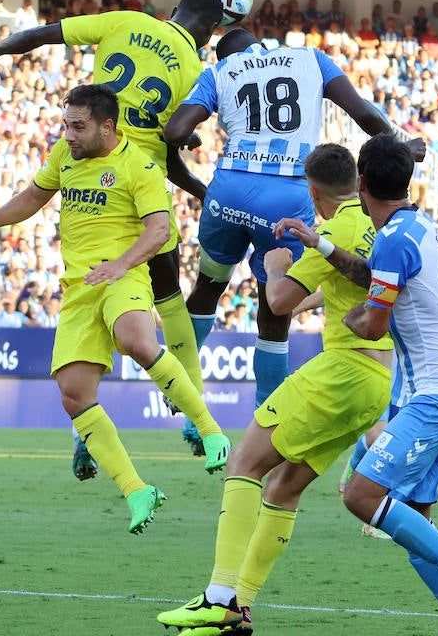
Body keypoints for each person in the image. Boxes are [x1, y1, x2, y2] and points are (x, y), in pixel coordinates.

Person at [0, 0, 224, 459]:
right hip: (140, 184)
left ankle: (85, 430)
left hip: (89, 174)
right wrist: (201, 184)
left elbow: (45, 34)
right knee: (168, 301)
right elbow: (171, 142)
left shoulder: (126, 21)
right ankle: (197, 419)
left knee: (91, 308)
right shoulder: (194, 70)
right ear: (208, 33)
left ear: (175, 9)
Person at [0, 84, 232, 534]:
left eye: (78, 126)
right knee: (73, 393)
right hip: (79, 287)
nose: (68, 134)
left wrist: (121, 264)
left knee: (136, 341)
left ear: (107, 127)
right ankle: (137, 491)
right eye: (66, 124)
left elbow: (161, 230)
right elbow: (33, 196)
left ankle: (209, 428)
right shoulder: (65, 156)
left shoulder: (138, 166)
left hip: (123, 274)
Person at [156, 144, 393, 636]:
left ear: (312, 190)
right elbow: (355, 280)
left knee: (243, 462)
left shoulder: (332, 229)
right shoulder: (378, 225)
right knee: (284, 487)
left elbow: (278, 301)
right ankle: (240, 608)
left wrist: (278, 265)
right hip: (377, 382)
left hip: (342, 370)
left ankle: (218, 598)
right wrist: (312, 296)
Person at [286, 136, 438, 636]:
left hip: (437, 394)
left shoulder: (394, 240)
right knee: (413, 520)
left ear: (360, 185)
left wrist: (347, 313)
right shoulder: (415, 224)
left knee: (361, 497)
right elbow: (374, 275)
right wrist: (319, 243)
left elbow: (372, 325)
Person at [162, 28, 399, 413]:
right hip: (288, 193)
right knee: (275, 310)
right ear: (261, 46)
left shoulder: (220, 72)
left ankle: (180, 383)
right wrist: (398, 143)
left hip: (230, 190)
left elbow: (174, 131)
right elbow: (362, 111)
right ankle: (266, 416)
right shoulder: (311, 59)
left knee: (208, 286)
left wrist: (190, 140)